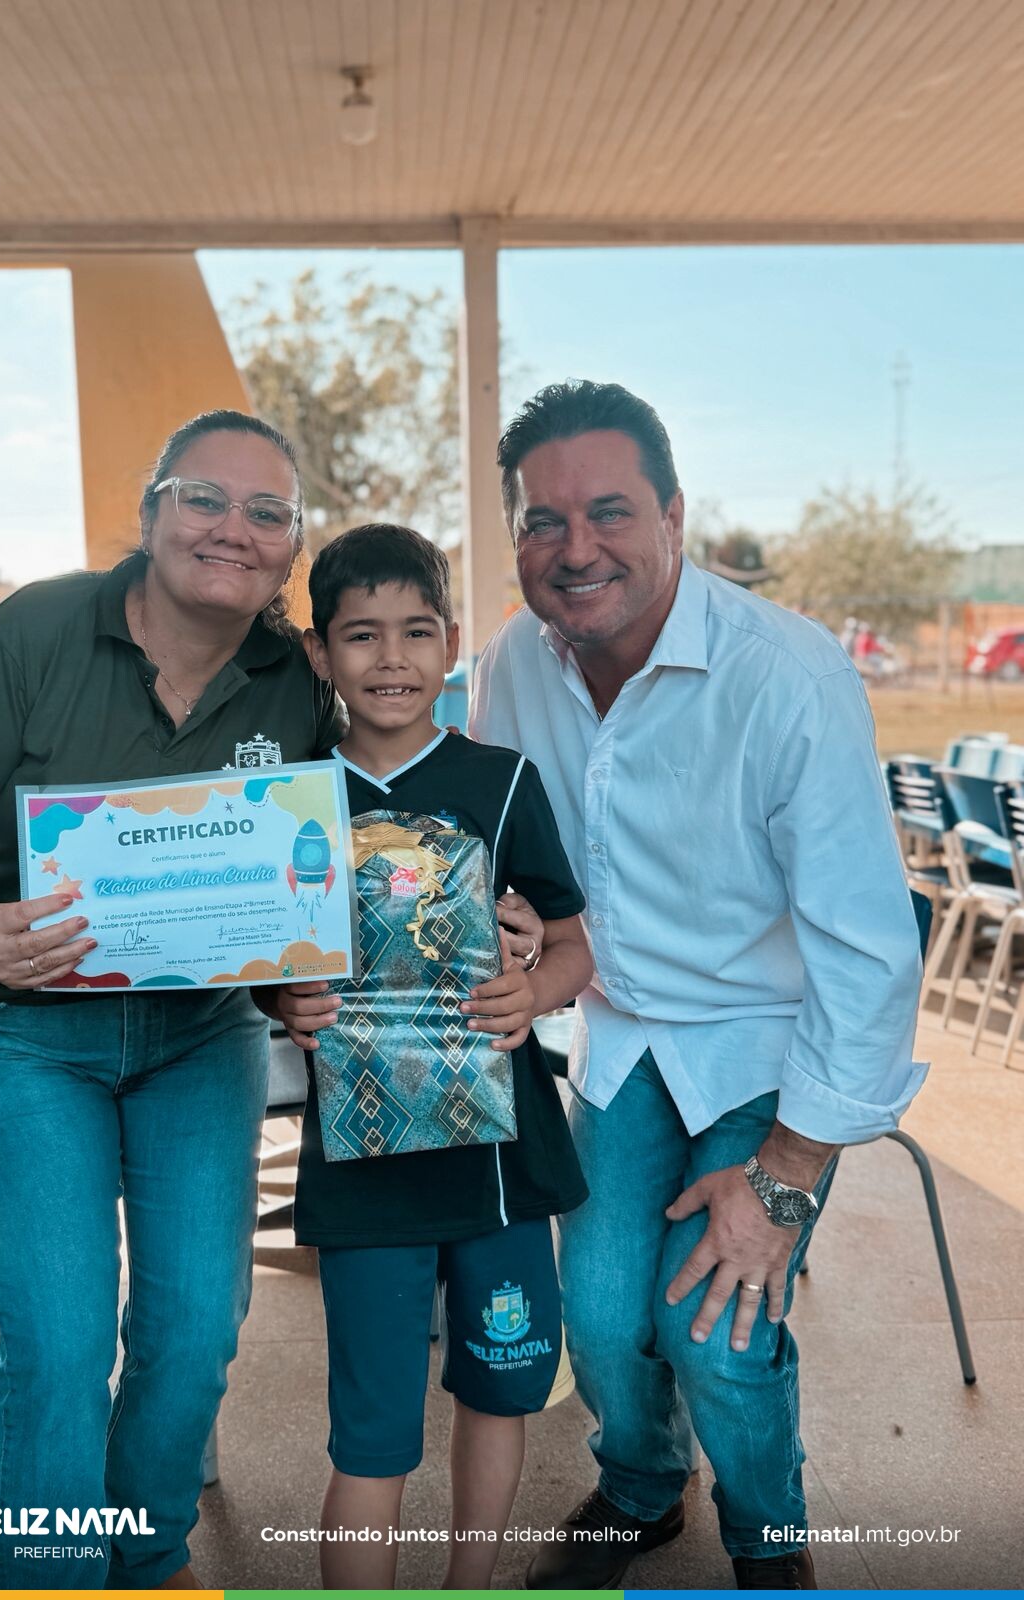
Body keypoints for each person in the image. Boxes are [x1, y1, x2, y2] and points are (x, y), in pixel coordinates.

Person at [0, 409, 347, 1590]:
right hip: (17, 1034)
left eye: (267, 512)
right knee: (61, 1342)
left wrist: (299, 974)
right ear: (149, 514)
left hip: (199, 1037)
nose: (232, 529)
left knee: (193, 1335)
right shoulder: (29, 633)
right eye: (204, 498)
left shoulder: (293, 678)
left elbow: (297, 869)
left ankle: (146, 1560)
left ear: (289, 551)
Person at [469, 381, 925, 1591]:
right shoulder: (514, 661)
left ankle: (770, 1539)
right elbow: (495, 851)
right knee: (605, 1321)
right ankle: (641, 1488)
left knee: (713, 1329)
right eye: (540, 521)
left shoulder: (787, 675)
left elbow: (871, 955)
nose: (574, 549)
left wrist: (783, 1178)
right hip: (619, 1037)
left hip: (770, 1049)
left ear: (675, 513)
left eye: (608, 511)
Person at [262, 524, 593, 1590]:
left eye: (415, 631)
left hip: (498, 1165)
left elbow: (574, 940)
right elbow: (263, 964)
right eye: (361, 635)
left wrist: (531, 988)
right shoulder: (290, 801)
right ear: (321, 653)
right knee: (372, 1429)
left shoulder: (501, 784)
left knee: (500, 1391)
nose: (391, 658)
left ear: (452, 641)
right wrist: (286, 994)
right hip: (364, 1177)